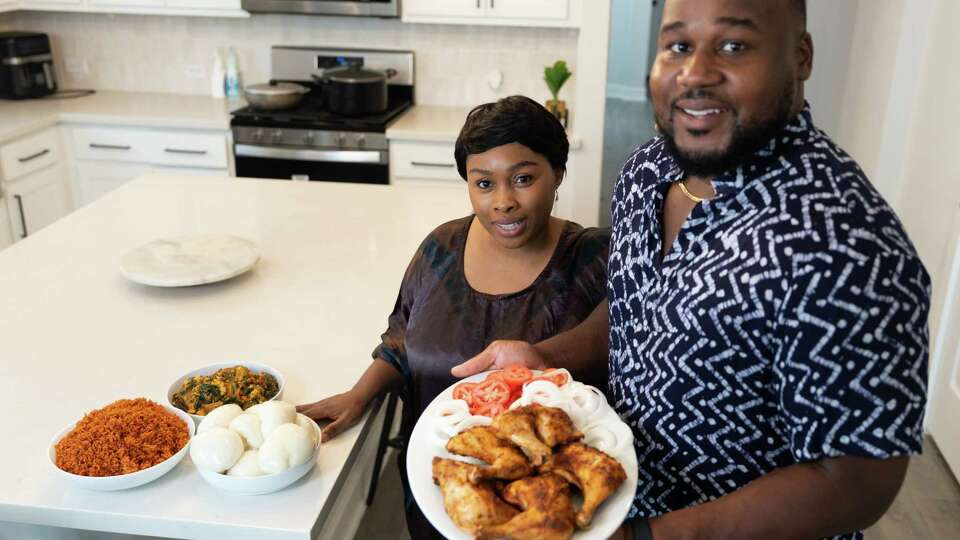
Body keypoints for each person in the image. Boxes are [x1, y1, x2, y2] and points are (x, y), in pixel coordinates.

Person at [453, 1, 932, 539]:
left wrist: (652, 536)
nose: (695, 73)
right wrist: (544, 358)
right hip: (617, 498)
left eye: (733, 45)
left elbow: (857, 481)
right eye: (678, 46)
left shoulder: (846, 242)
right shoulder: (646, 171)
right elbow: (637, 307)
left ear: (800, 57)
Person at [298, 95, 611, 539]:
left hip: (546, 505)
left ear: (558, 173)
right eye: (484, 184)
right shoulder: (441, 249)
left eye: (523, 178)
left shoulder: (595, 261)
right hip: (436, 488)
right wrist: (360, 394)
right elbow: (403, 340)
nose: (503, 202)